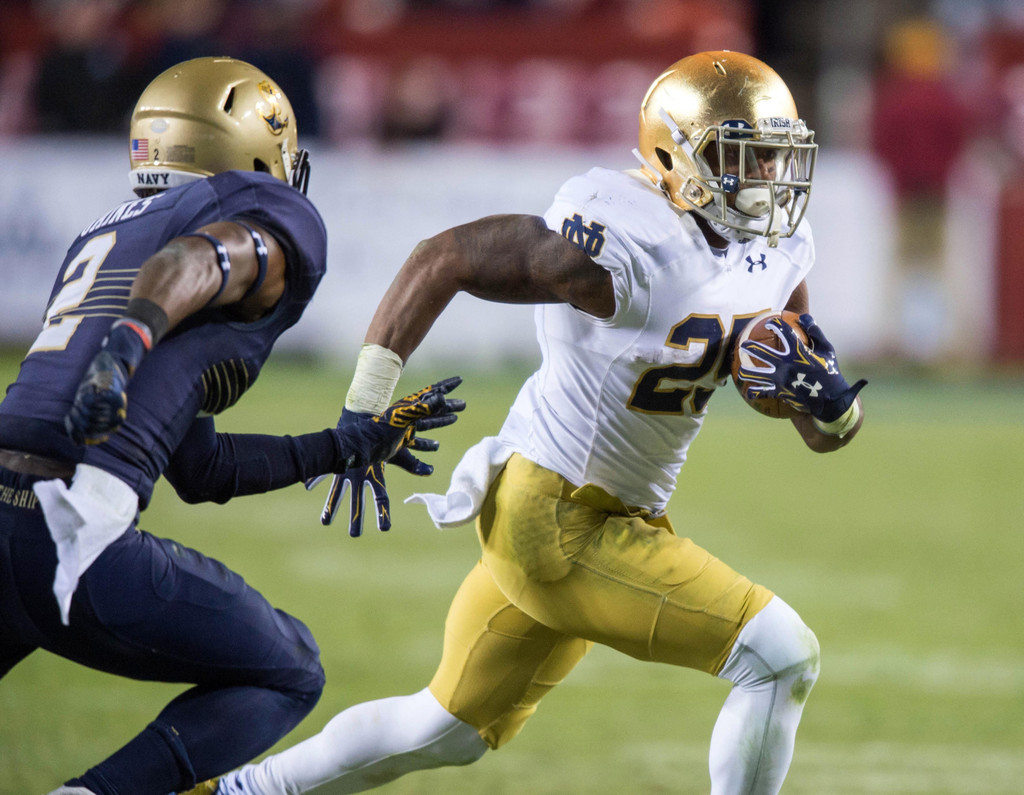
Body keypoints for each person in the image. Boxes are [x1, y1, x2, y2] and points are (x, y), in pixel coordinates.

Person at [201, 50, 866, 795]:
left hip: (607, 514)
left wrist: (834, 402)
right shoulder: (628, 242)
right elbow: (441, 257)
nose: (771, 178)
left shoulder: (775, 244)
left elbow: (810, 413)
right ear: (677, 157)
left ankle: (228, 792)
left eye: (777, 155)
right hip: (556, 516)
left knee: (440, 728)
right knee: (781, 656)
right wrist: (362, 408)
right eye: (747, 157)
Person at [0, 56, 463, 795]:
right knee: (289, 669)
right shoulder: (257, 217)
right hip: (72, 525)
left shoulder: (107, 235)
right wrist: (125, 346)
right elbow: (207, 258)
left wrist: (343, 446)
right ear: (246, 147)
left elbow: (202, 469)